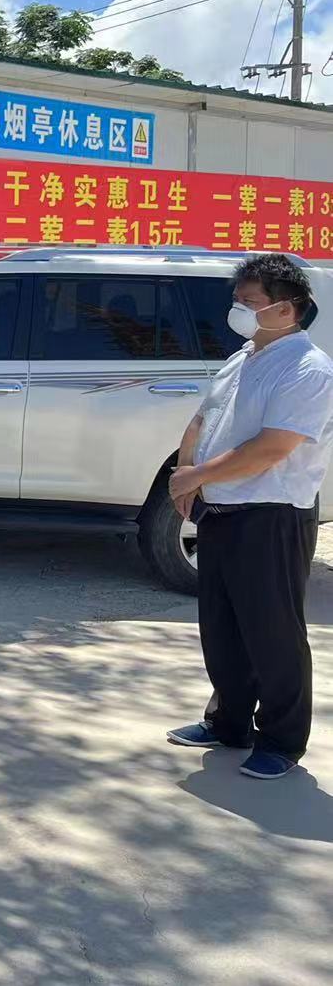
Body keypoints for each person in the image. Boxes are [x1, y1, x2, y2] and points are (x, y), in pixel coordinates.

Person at [165, 253, 333, 781]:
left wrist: (195, 476)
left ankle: (281, 740)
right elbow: (203, 418)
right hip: (221, 508)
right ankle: (229, 722)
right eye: (237, 300)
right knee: (222, 627)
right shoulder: (244, 356)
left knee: (272, 632)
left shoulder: (308, 370)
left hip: (271, 514)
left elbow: (272, 448)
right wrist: (186, 471)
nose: (238, 309)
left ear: (288, 308)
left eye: (250, 302)